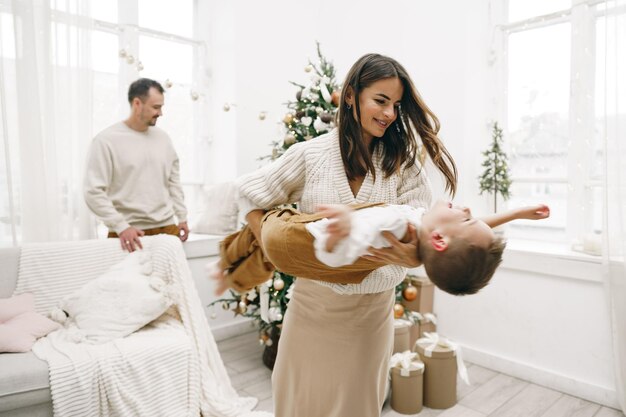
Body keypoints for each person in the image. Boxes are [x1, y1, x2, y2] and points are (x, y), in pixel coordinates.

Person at [235, 53, 457, 417]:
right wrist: (271, 241)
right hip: (311, 308)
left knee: (356, 406)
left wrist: (406, 257)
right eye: (380, 101)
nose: (388, 114)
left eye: (396, 106)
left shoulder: (403, 165)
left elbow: (421, 232)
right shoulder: (310, 155)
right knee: (296, 402)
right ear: (351, 95)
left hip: (370, 318)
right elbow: (248, 193)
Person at [212, 201, 550, 296]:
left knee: (262, 217)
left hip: (293, 237)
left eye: (467, 217)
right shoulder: (428, 241)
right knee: (267, 258)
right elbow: (468, 239)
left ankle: (226, 258)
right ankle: (234, 280)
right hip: (293, 260)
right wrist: (516, 213)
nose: (466, 209)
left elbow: (355, 239)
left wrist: (341, 229)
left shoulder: (397, 224)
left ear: (439, 240)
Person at [84, 78, 189, 252]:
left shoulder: (163, 139)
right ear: (137, 103)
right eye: (156, 107)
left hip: (167, 228)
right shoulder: (106, 141)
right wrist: (121, 226)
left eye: (161, 107)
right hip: (128, 233)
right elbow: (93, 191)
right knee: (126, 280)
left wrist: (182, 217)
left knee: (175, 280)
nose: (160, 113)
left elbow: (173, 182)